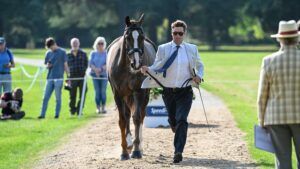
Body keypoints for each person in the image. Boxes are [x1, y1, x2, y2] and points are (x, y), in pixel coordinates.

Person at [141, 20, 204, 163]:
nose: (177, 36)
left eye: (180, 33)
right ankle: (172, 121)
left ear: (184, 34)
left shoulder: (192, 49)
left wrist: (199, 76)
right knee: (174, 120)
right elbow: (157, 66)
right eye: (175, 33)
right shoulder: (163, 49)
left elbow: (200, 65)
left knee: (182, 120)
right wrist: (147, 70)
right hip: (168, 92)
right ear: (171, 33)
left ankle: (178, 151)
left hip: (185, 91)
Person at [257, 20, 300, 169]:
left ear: (280, 39)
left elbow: (262, 96)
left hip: (275, 118)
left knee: (282, 161)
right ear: (297, 38)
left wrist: (261, 121)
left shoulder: (268, 61)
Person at [38, 37, 70, 119]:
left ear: (54, 44)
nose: (51, 49)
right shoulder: (48, 53)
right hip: (49, 78)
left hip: (59, 78)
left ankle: (56, 115)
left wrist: (68, 77)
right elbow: (46, 64)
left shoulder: (63, 52)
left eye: (52, 47)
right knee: (45, 97)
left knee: (58, 98)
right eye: (49, 48)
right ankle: (42, 115)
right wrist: (48, 66)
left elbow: (65, 65)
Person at [67, 38, 88, 116]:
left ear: (79, 44)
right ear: (71, 44)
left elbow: (86, 64)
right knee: (72, 95)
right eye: (73, 43)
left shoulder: (83, 53)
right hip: (71, 78)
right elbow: (65, 66)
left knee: (83, 94)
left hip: (82, 77)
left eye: (76, 43)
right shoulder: (67, 54)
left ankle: (79, 110)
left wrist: (84, 72)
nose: (75, 44)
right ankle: (72, 111)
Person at [89, 37, 108, 114]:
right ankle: (98, 108)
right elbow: (90, 63)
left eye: (102, 43)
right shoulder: (93, 53)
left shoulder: (106, 53)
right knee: (97, 92)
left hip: (104, 75)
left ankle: (103, 107)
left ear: (104, 44)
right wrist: (96, 70)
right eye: (99, 43)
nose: (100, 45)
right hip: (94, 75)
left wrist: (100, 69)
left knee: (103, 91)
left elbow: (108, 63)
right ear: (96, 44)